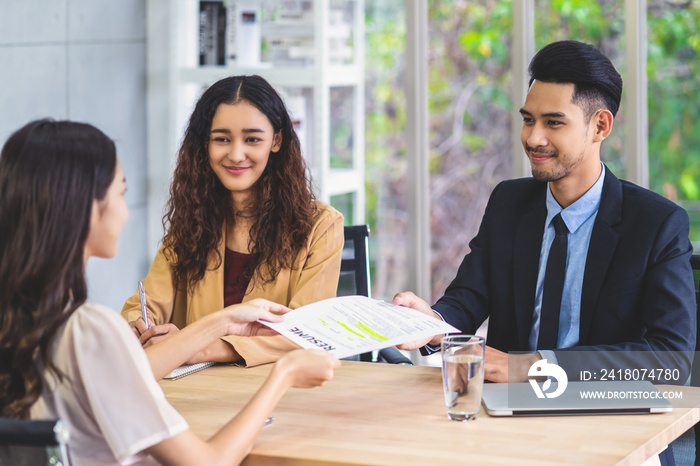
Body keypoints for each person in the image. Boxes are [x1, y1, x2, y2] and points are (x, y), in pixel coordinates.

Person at [0, 119, 340, 465]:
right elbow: (207, 463)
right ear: (86, 206)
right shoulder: (90, 329)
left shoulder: (30, 320)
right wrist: (282, 378)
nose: (125, 210)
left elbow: (125, 374)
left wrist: (222, 322)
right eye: (121, 191)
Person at [393, 40, 696, 385]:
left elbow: (673, 357)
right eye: (528, 120)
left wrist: (532, 366)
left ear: (600, 126)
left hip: (605, 412)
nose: (533, 138)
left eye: (553, 123)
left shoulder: (656, 224)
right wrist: (431, 322)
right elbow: (468, 299)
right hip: (506, 413)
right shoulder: (509, 202)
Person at [121, 75, 344, 367]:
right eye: (222, 139)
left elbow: (305, 333)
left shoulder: (322, 225)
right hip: (197, 393)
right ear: (205, 144)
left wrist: (200, 348)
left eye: (252, 139)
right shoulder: (193, 217)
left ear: (276, 140)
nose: (236, 155)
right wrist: (137, 327)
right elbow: (147, 305)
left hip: (278, 391)